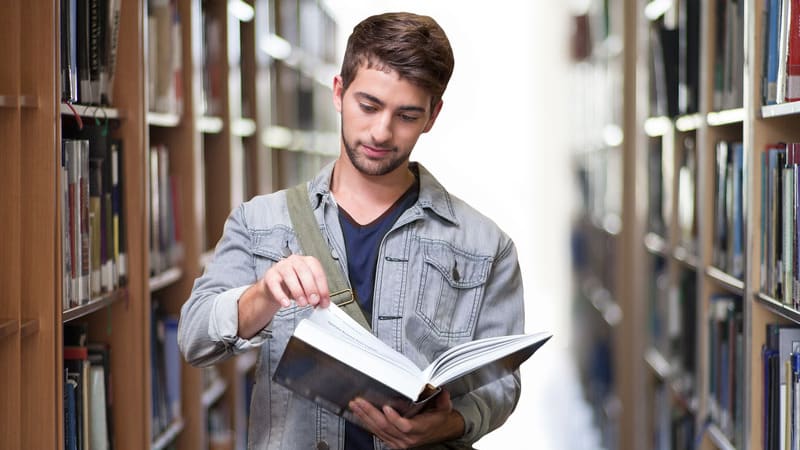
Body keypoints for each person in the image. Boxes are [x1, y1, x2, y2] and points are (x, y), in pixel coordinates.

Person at [178, 11, 525, 450]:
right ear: (339, 92)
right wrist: (262, 295)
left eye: (407, 115)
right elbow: (194, 338)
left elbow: (502, 386)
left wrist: (450, 424)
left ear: (433, 116)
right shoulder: (260, 222)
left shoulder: (486, 246)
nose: (381, 132)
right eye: (369, 106)